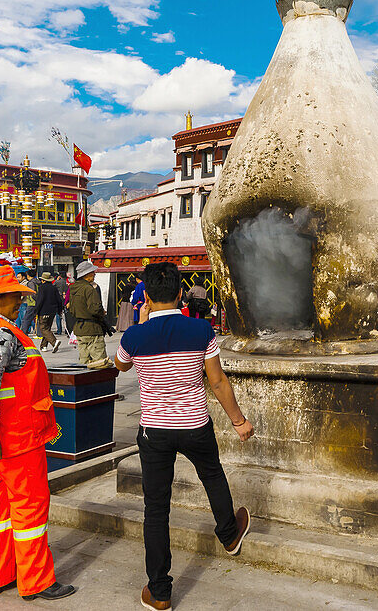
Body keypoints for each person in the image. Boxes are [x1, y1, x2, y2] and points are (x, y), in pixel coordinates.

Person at [114, 262, 254, 611]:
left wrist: (143, 324)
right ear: (180, 293)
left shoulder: (134, 336)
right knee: (211, 473)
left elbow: (120, 365)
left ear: (146, 295)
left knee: (156, 508)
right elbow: (217, 381)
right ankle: (228, 533)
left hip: (155, 431)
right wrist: (238, 422)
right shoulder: (200, 331)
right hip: (194, 425)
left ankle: (160, 591)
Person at [0, 265, 77, 601]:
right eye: (14, 296)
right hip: (15, 436)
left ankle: (0, 574)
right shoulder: (2, 334)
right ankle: (37, 581)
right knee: (29, 508)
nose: (20, 301)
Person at [67, 261, 112, 368]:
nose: (94, 274)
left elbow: (71, 309)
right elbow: (95, 309)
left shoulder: (73, 288)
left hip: (80, 329)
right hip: (92, 329)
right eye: (93, 272)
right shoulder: (89, 289)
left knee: (84, 363)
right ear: (87, 274)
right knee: (100, 363)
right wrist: (102, 312)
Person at [34, 272, 62, 353]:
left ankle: (54, 342)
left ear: (43, 280)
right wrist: (59, 310)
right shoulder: (54, 288)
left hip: (43, 311)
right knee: (47, 329)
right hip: (52, 311)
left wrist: (36, 311)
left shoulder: (42, 288)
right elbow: (59, 300)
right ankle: (43, 346)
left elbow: (40, 300)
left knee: (43, 328)